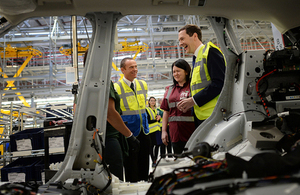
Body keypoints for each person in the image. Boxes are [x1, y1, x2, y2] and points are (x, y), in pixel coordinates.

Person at [76, 50, 140, 181]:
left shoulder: (84, 81)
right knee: (114, 179)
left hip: (92, 140)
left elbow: (76, 110)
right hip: (109, 138)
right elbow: (110, 114)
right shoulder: (104, 82)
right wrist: (130, 136)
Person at [177, 24, 226, 128]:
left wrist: (193, 100)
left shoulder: (210, 52)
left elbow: (219, 83)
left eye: (182, 39)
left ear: (195, 36)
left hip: (214, 115)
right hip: (202, 115)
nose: (180, 44)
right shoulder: (196, 58)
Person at [114, 57, 150, 182]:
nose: (135, 70)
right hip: (128, 133)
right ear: (122, 70)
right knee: (131, 167)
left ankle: (145, 188)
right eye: (131, 67)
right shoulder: (116, 87)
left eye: (135, 66)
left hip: (144, 131)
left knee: (144, 165)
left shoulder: (143, 84)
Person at [160, 59, 195, 155]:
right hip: (175, 134)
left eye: (178, 71)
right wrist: (164, 131)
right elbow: (166, 112)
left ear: (186, 72)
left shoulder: (193, 87)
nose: (176, 74)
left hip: (191, 133)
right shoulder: (169, 90)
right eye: (174, 71)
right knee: (179, 161)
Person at [145, 97, 163, 167]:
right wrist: (156, 120)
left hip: (157, 130)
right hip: (151, 131)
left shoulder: (156, 110)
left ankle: (155, 158)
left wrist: (158, 118)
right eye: (151, 101)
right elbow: (148, 120)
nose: (153, 102)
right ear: (149, 102)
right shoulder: (147, 110)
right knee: (151, 146)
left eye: (154, 101)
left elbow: (157, 118)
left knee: (158, 145)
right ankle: (153, 160)